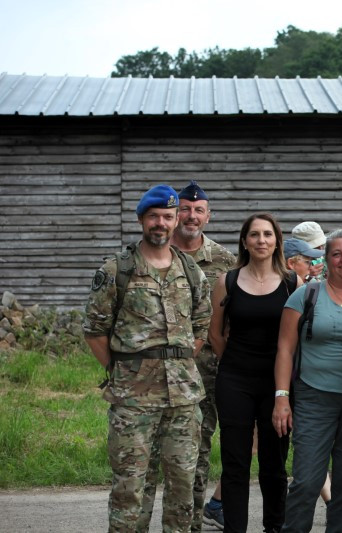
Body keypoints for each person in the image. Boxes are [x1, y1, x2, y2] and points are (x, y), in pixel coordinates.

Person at [83, 184, 211, 532]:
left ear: (176, 220)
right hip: (132, 401)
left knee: (183, 487)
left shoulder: (191, 271)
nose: (161, 223)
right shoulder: (117, 270)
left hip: (183, 401)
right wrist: (122, 370)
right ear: (141, 219)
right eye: (154, 216)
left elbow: (201, 327)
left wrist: (176, 364)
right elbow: (94, 330)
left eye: (168, 217)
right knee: (130, 489)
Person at [137, 181, 236, 532]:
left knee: (195, 456)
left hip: (204, 375)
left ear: (208, 216)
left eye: (199, 210)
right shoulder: (148, 256)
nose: (191, 216)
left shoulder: (226, 262)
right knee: (143, 459)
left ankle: (191, 524)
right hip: (148, 378)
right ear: (175, 214)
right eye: (185, 209)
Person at [273, 229, 342, 532]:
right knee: (307, 481)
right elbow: (285, 349)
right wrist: (281, 397)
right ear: (326, 259)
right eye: (336, 253)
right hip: (314, 398)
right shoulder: (306, 295)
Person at [208, 213, 298, 533]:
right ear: (244, 242)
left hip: (278, 385)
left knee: (274, 464)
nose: (261, 240)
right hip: (235, 382)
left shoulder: (292, 283)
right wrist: (236, 363)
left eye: (268, 234)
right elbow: (215, 334)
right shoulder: (227, 282)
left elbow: (297, 338)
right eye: (255, 235)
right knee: (235, 463)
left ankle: (274, 527)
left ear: (277, 241)